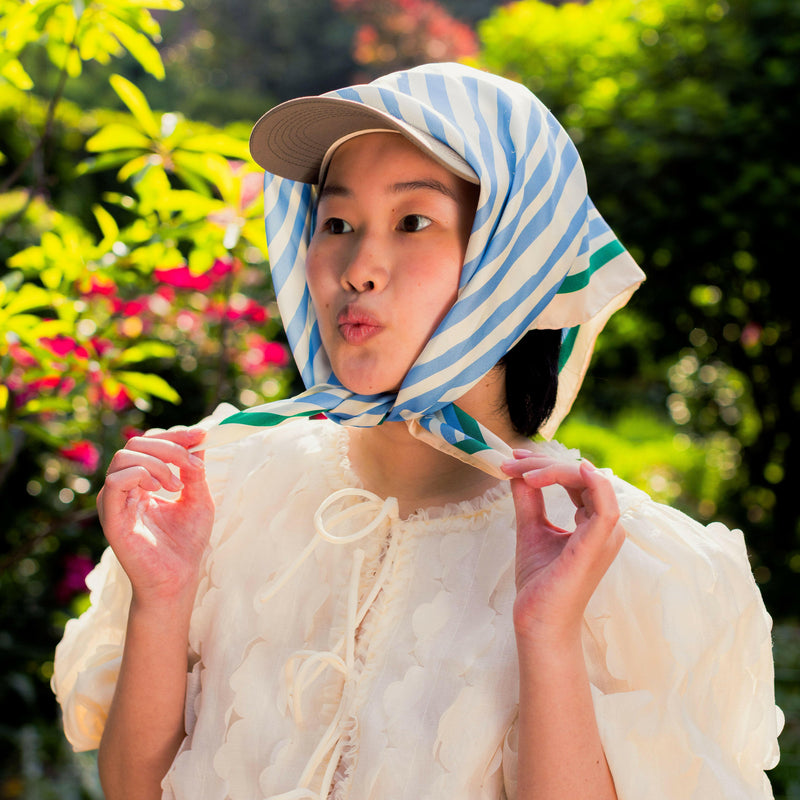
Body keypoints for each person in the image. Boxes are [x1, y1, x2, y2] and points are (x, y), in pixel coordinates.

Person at [52, 62, 781, 800]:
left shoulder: (633, 572)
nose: (358, 268)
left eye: (413, 222)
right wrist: (165, 594)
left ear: (511, 257)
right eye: (336, 223)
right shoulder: (221, 495)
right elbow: (133, 791)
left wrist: (548, 633)